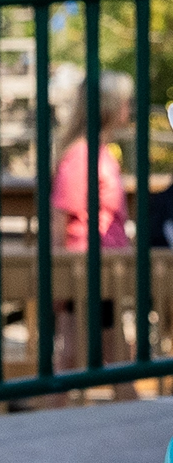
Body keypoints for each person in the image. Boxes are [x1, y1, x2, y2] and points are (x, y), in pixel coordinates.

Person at [51, 71, 137, 397]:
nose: (129, 109)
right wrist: (59, 279)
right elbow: (60, 219)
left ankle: (55, 409)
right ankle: (134, 417)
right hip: (86, 269)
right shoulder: (82, 156)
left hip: (103, 270)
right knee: (105, 354)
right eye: (126, 102)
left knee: (95, 352)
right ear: (110, 106)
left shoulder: (98, 152)